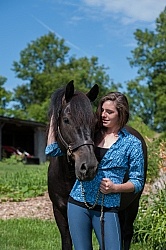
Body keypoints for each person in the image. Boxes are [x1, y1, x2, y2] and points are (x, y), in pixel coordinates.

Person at [45, 92, 144, 250]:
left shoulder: (132, 143)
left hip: (107, 206)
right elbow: (52, 150)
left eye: (109, 112)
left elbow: (138, 182)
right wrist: (55, 117)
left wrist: (115, 188)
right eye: (102, 110)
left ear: (122, 113)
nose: (103, 115)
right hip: (78, 202)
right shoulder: (90, 134)